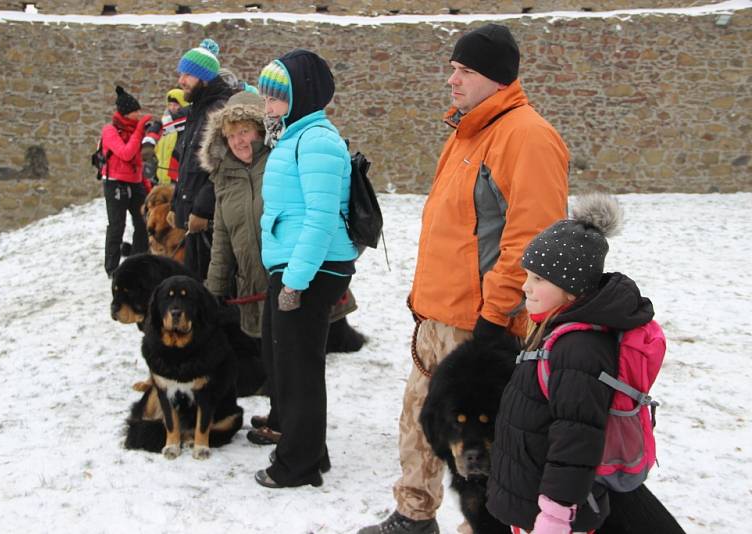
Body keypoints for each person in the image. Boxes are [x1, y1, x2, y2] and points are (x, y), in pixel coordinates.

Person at [359, 24, 569, 534]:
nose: (452, 79)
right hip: (439, 317)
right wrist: (421, 301)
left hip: (481, 324)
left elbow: (530, 240)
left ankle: (490, 524)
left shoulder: (528, 138)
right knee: (421, 424)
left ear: (495, 79)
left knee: (485, 443)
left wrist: (496, 316)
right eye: (453, 67)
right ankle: (414, 514)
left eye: (465, 70)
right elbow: (451, 228)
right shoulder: (468, 132)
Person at [486, 193, 685, 534]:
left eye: (538, 279)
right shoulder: (554, 330)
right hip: (532, 502)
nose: (525, 287)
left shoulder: (578, 349)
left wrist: (554, 518)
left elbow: (575, 443)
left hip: (554, 515)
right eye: (527, 275)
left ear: (571, 289)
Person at [198, 91, 364, 446]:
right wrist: (212, 291)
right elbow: (223, 238)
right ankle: (279, 414)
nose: (239, 140)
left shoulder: (278, 163)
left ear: (260, 131)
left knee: (290, 357)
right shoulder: (222, 177)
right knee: (272, 354)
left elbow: (313, 215)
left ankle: (292, 427)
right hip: (252, 280)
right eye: (231, 134)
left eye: (246, 131)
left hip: (290, 275)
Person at [252, 49, 358, 489]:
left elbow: (320, 218)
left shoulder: (316, 141)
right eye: (266, 98)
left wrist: (295, 281)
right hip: (296, 264)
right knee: (285, 362)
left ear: (301, 96)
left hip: (310, 269)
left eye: (275, 98)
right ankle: (308, 448)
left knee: (300, 368)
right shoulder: (296, 136)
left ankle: (298, 465)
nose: (267, 106)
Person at [168, 38, 241, 280]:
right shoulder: (197, 109)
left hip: (209, 223)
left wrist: (200, 210)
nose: (181, 81)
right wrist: (175, 205)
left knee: (207, 289)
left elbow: (221, 168)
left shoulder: (218, 110)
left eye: (188, 74)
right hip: (194, 222)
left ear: (205, 77)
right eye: (181, 74)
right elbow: (189, 164)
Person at [100, 85, 152, 277]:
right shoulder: (110, 131)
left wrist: (146, 184)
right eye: (135, 111)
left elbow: (139, 161)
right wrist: (139, 131)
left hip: (135, 182)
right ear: (125, 113)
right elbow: (126, 153)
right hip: (115, 183)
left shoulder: (136, 130)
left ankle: (138, 262)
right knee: (117, 225)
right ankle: (112, 269)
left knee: (143, 222)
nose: (139, 115)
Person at [154, 88, 189, 184]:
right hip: (160, 176)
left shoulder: (184, 126)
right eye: (170, 105)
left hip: (176, 176)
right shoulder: (164, 123)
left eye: (176, 105)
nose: (172, 108)